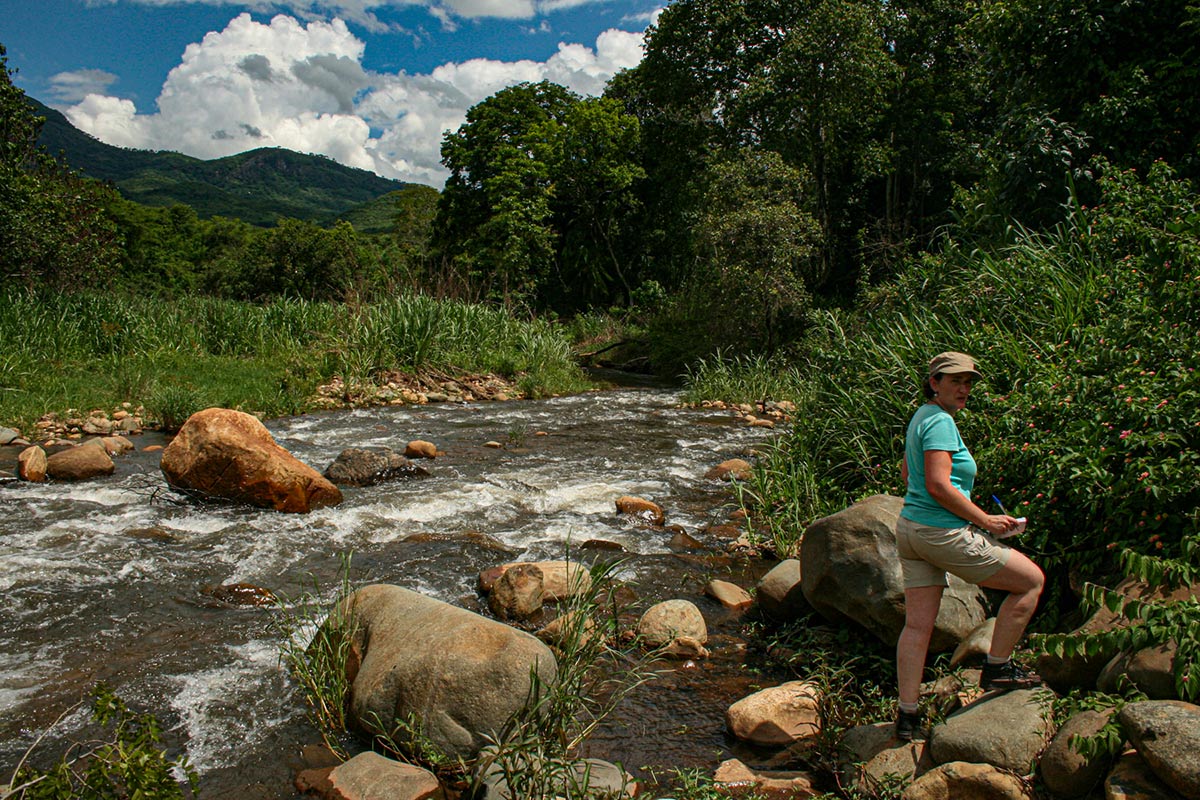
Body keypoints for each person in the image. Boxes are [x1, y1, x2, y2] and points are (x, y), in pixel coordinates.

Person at [894, 351, 1045, 741]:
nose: (964, 388)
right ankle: (998, 665)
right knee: (1030, 581)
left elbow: (908, 472)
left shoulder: (921, 417)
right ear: (934, 383)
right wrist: (985, 520)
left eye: (968, 382)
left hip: (911, 530)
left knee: (917, 626)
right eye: (955, 381)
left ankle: (907, 716)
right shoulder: (941, 422)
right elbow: (938, 485)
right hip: (940, 532)